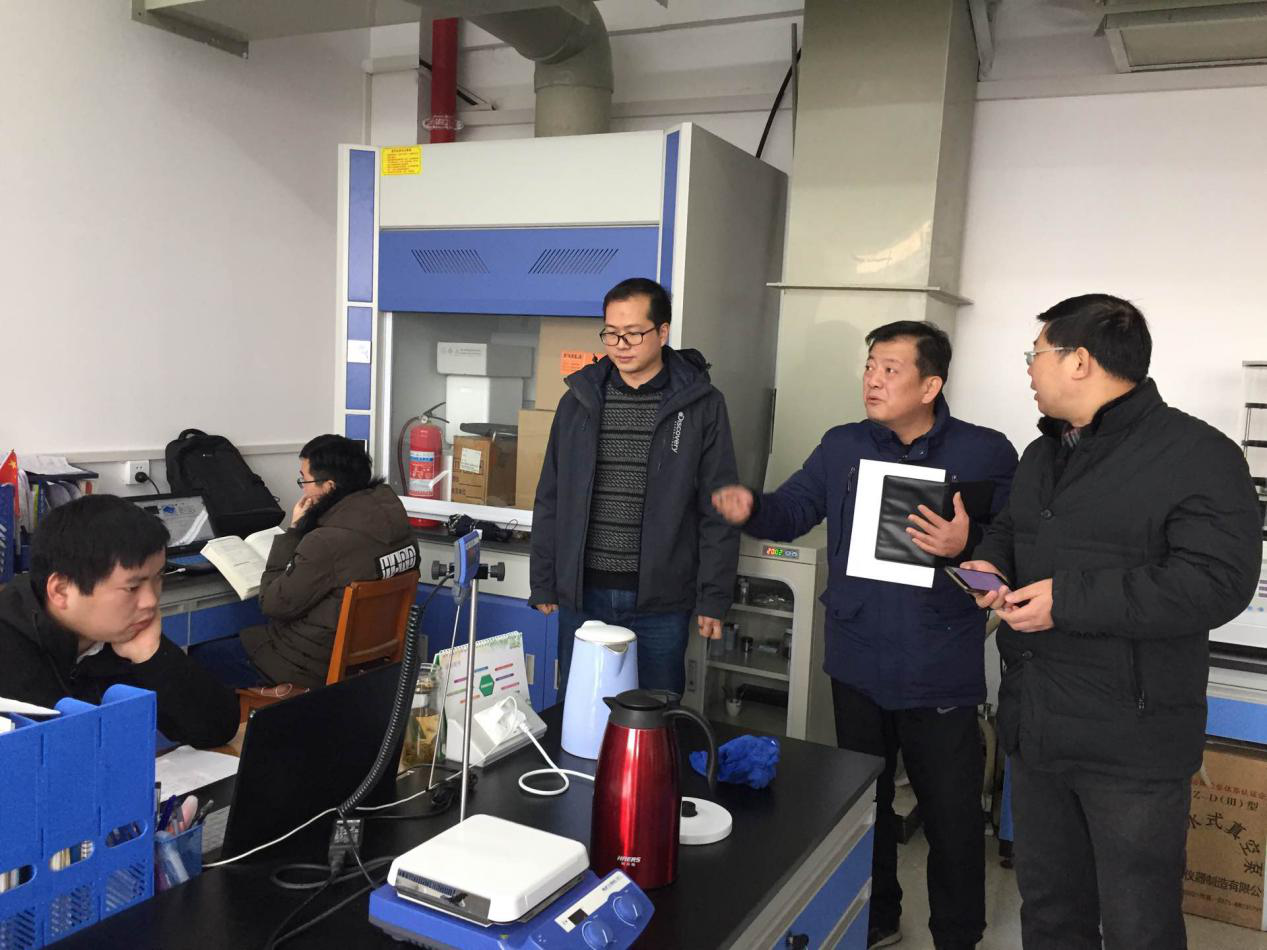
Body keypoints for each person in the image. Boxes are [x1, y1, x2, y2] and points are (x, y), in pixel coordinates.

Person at [960, 294, 1261, 950]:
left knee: (1137, 925)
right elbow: (1012, 529)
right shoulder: (1043, 453)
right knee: (1049, 910)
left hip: (1131, 744)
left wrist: (1066, 600)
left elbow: (1215, 584)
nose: (1029, 368)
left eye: (1035, 354)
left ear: (1079, 361)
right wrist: (990, 561)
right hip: (1037, 726)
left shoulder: (1197, 454)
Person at [712, 321, 1017, 950]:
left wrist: (971, 545)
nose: (873, 379)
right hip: (856, 658)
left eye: (890, 369)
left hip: (939, 663)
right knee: (865, 801)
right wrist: (753, 508)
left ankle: (957, 935)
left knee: (952, 814)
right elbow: (794, 509)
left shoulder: (985, 452)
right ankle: (878, 916)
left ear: (930, 385)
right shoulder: (843, 445)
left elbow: (1017, 539)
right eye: (871, 365)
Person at [530, 276, 740, 694]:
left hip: (661, 601)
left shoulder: (701, 404)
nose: (620, 345)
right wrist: (545, 580)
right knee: (582, 710)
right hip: (583, 594)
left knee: (656, 713)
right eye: (611, 333)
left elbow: (719, 508)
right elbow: (550, 496)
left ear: (663, 332)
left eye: (633, 333)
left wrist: (714, 596)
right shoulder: (578, 400)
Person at [0, 494, 238, 749]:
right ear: (61, 590)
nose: (150, 601)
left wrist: (153, 657)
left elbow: (217, 730)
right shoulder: (9, 646)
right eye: (132, 587)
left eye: (158, 577)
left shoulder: (122, 634)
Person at [190, 435, 417, 689]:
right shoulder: (400, 527)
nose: (303, 489)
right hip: (368, 662)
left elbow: (273, 604)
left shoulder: (325, 542)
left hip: (307, 665)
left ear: (329, 487)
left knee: (200, 657)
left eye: (304, 480)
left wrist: (295, 532)